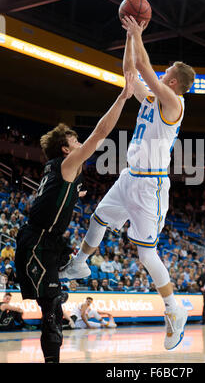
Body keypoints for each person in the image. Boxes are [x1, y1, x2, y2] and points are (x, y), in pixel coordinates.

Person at [60, 15, 196, 351]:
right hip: (129, 177)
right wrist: (129, 38)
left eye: (167, 75)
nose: (161, 76)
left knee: (145, 255)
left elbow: (146, 70)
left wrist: (139, 34)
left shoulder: (173, 105)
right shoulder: (152, 99)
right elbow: (132, 73)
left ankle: (174, 309)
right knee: (98, 219)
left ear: (174, 82)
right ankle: (80, 263)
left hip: (150, 186)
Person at [14, 73, 135, 363]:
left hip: (47, 240)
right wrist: (123, 96)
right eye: (76, 140)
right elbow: (101, 133)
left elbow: (52, 198)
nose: (82, 143)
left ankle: (65, 280)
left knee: (53, 307)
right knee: (52, 307)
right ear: (67, 150)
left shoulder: (57, 169)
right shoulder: (67, 165)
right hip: (38, 241)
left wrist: (72, 197)